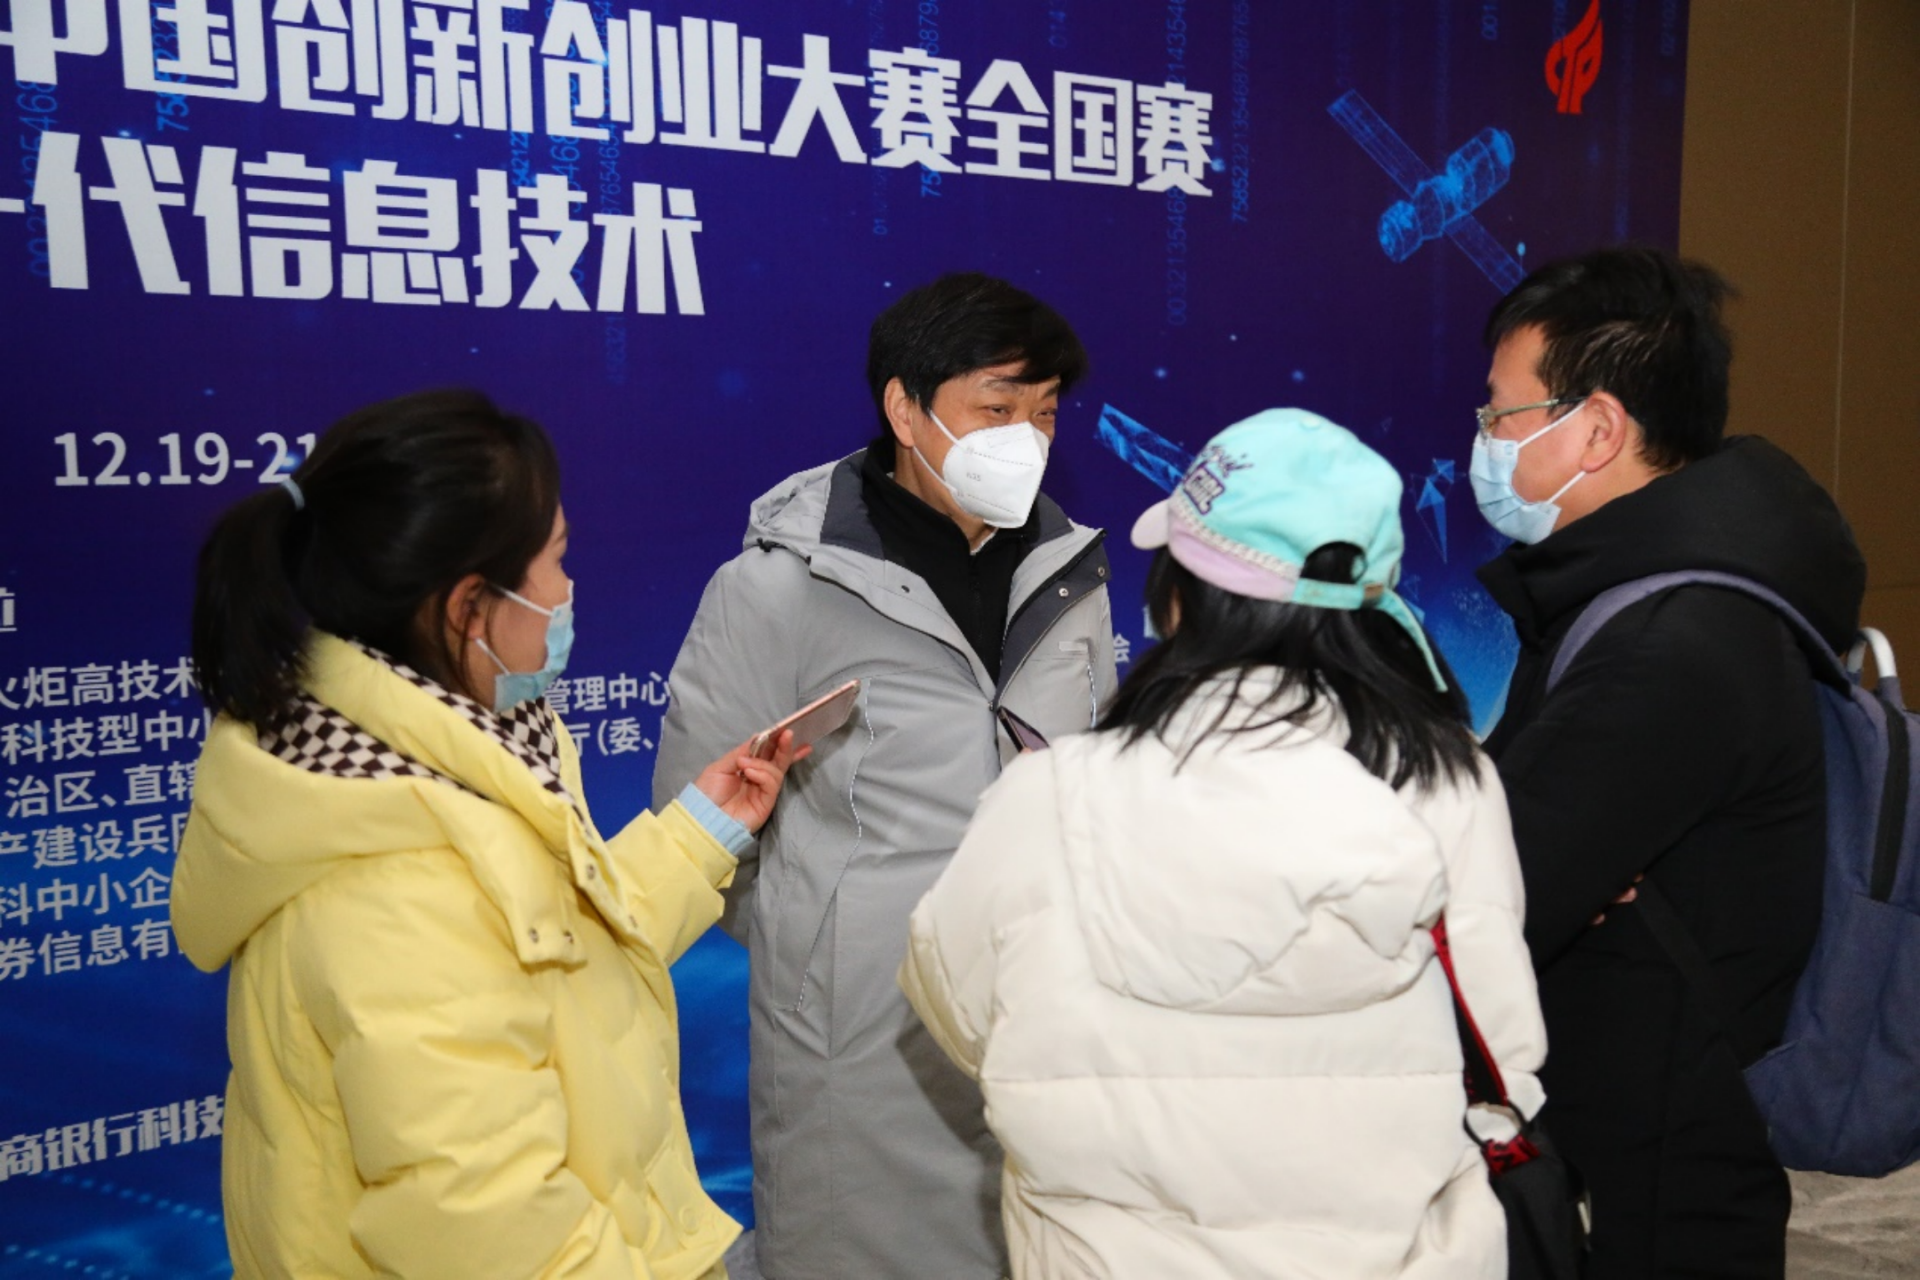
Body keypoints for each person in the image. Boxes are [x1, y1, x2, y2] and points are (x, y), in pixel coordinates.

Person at [170, 389, 803, 1280]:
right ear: (470, 606)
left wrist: (701, 829)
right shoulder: (398, 882)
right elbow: (493, 1231)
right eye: (555, 561)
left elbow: (553, 955)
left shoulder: (428, 757)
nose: (567, 591)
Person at [900, 408, 1548, 1278]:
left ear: (1182, 596)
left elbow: (957, 1004)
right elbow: (1501, 1052)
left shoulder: (1047, 797)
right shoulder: (1445, 780)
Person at [652, 272, 1118, 1279]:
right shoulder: (779, 586)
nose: (1027, 440)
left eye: (1045, 413)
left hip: (1042, 1021)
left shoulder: (1070, 578)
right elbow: (699, 824)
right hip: (859, 1047)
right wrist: (830, 944)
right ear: (905, 409)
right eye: (996, 409)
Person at [1470, 245, 1868, 1277]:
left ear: (1597, 428)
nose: (1485, 440)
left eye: (1502, 414)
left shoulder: (1675, 636)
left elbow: (1504, 881)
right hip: (1641, 1106)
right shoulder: (1642, 595)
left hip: (1667, 1148)